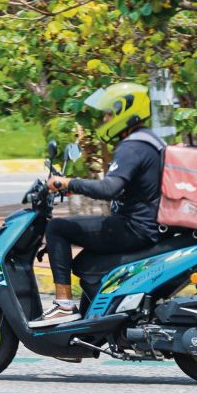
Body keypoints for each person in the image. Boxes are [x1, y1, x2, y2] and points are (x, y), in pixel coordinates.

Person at [29, 83, 166, 328]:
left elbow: (109, 189)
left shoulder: (133, 146)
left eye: (108, 114)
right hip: (142, 225)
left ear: (125, 111)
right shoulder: (147, 141)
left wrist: (67, 182)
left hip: (133, 228)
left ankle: (63, 306)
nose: (104, 119)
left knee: (58, 229)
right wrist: (73, 187)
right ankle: (88, 329)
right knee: (85, 264)